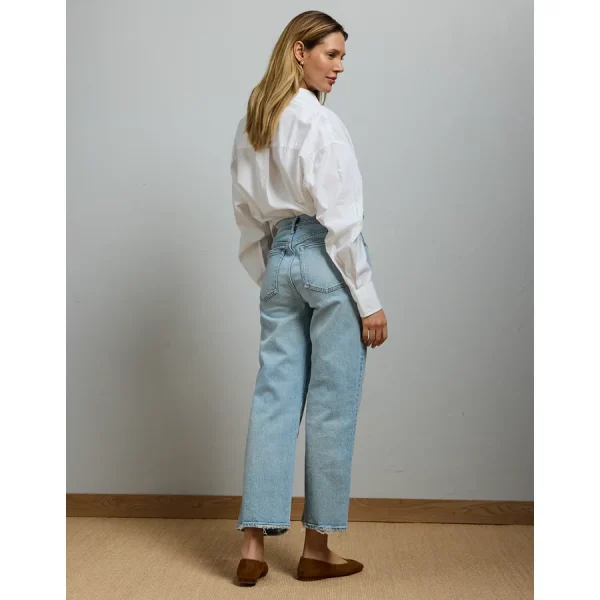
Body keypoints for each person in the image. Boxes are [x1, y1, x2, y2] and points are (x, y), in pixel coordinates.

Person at [230, 10, 388, 586]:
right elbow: (342, 221)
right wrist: (368, 299)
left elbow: (245, 212)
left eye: (342, 57)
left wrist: (272, 273)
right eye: (331, 54)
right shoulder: (322, 124)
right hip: (326, 258)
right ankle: (316, 550)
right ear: (300, 51)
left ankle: (252, 545)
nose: (339, 67)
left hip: (279, 258)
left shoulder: (254, 122)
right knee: (331, 404)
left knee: (273, 398)